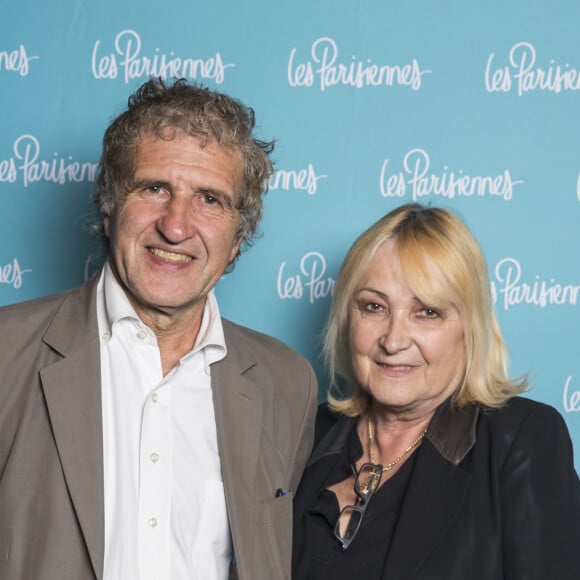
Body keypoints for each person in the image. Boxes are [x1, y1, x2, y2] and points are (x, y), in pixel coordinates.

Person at [0, 77, 317, 580]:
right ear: (109, 209)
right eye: (154, 188)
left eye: (210, 199)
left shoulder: (286, 382)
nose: (176, 225)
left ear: (238, 238)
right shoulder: (7, 354)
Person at [292, 203, 580, 579]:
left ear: (469, 327)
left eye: (427, 312)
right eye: (374, 307)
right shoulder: (304, 434)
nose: (393, 340)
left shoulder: (520, 440)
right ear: (348, 318)